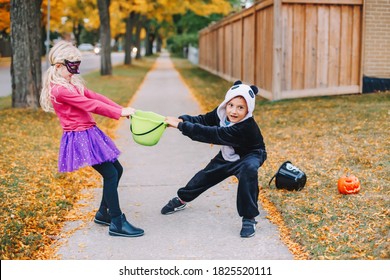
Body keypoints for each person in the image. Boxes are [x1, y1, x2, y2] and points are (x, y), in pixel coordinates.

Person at [40, 40, 143, 238]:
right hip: (80, 138)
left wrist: (121, 109)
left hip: (90, 133)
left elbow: (96, 97)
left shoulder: (71, 84)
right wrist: (119, 113)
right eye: (72, 68)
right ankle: (116, 221)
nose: (75, 72)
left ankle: (103, 214)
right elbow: (90, 105)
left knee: (116, 170)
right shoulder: (59, 90)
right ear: (59, 66)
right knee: (111, 174)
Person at [162, 80, 267, 238]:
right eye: (231, 105)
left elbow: (213, 134)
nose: (234, 111)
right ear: (226, 102)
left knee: (248, 172)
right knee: (205, 176)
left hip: (251, 155)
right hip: (229, 154)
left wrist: (181, 127)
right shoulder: (222, 113)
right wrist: (182, 120)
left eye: (241, 107)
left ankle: (249, 218)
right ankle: (182, 198)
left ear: (248, 110)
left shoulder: (245, 126)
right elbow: (203, 120)